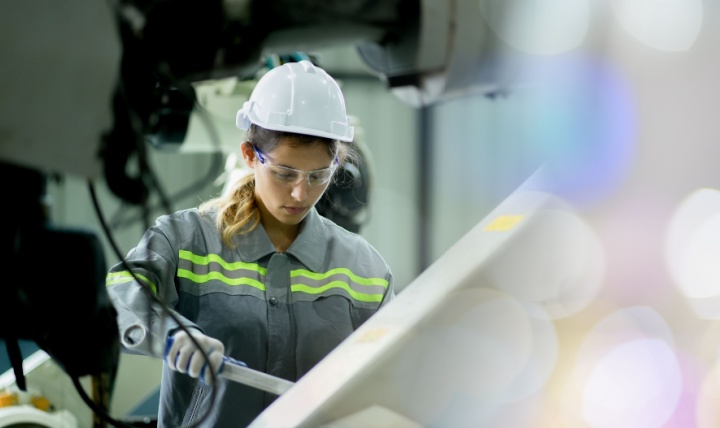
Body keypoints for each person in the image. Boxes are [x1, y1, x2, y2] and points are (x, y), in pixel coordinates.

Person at [105, 60, 395, 427]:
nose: (300, 192)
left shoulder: (365, 269)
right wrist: (171, 333)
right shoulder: (185, 240)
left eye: (319, 176)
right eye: (284, 173)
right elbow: (121, 292)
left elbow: (394, 375)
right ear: (249, 155)